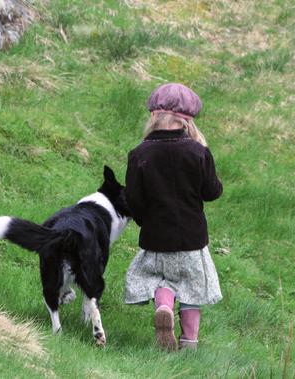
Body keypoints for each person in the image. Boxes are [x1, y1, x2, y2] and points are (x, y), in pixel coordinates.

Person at [124, 83, 223, 351]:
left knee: (160, 280)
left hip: (156, 237)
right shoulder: (199, 152)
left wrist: (146, 221)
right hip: (192, 238)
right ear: (188, 120)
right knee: (192, 290)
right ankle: (189, 344)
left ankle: (164, 306)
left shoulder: (139, 154)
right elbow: (212, 192)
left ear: (153, 116)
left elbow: (132, 199)